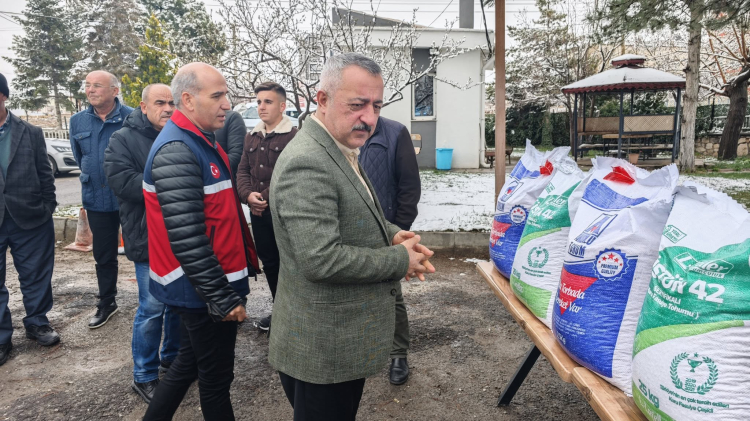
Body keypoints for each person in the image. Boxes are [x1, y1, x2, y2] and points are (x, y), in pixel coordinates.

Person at [268, 53, 435, 421]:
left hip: (332, 346)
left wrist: (392, 234)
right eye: (357, 105)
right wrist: (400, 260)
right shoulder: (309, 161)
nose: (370, 118)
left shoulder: (338, 147)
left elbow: (355, 211)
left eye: (377, 105)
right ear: (322, 99)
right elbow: (321, 259)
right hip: (322, 350)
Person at [142, 63, 260, 420]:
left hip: (202, 287)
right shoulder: (179, 149)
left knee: (188, 364)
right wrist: (222, 298)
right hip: (201, 291)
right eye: (218, 96)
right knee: (216, 379)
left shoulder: (199, 139)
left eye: (227, 95)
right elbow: (187, 236)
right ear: (189, 100)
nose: (227, 104)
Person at [104, 84, 181, 404]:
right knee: (152, 308)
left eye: (172, 103)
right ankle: (144, 375)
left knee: (177, 302)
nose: (168, 108)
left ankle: (171, 361)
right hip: (148, 237)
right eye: (160, 102)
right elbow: (122, 182)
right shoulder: (122, 139)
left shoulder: (180, 134)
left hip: (179, 235)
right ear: (143, 106)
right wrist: (172, 183)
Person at [0, 72, 60, 366]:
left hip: (31, 217)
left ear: (3, 96)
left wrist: (48, 207)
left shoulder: (30, 132)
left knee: (36, 275)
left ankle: (38, 322)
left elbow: (44, 174)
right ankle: (1, 337)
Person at [359, 116, 421, 385]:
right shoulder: (340, 129)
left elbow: (410, 188)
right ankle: (359, 346)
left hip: (386, 230)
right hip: (349, 228)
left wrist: (398, 231)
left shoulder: (395, 133)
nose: (368, 109)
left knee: (390, 293)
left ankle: (398, 354)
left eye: (377, 103)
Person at [70, 70, 133, 329]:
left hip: (130, 198)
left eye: (97, 85)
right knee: (103, 255)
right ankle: (107, 302)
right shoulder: (77, 121)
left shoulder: (132, 118)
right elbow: (80, 158)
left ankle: (155, 300)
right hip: (96, 198)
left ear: (115, 91)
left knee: (143, 250)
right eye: (88, 85)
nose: (91, 90)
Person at [236, 81, 298, 332]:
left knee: (289, 265)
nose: (261, 106)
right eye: (259, 102)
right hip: (259, 214)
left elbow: (291, 176)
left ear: (282, 106)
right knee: (270, 263)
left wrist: (261, 197)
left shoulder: (294, 137)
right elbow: (242, 170)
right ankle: (280, 312)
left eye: (268, 102)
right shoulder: (251, 136)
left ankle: (295, 316)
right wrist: (247, 195)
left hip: (285, 215)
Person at [214, 109, 246, 178]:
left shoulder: (232, 117)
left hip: (224, 178)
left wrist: (207, 166)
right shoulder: (194, 121)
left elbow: (237, 156)